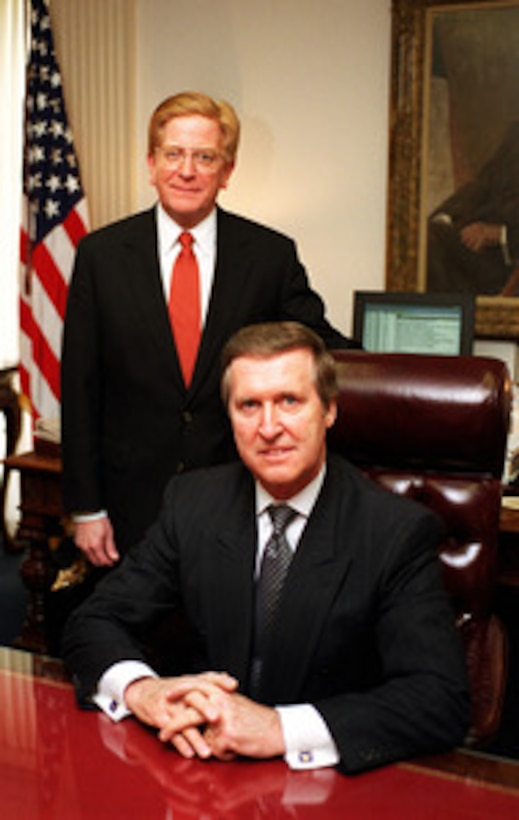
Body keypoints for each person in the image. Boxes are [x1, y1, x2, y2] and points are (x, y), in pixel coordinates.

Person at [62, 321, 469, 776]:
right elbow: (95, 620)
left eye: (289, 402)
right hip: (200, 771)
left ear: (329, 409)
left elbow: (438, 698)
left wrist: (278, 728)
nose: (269, 427)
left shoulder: (395, 532)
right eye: (249, 405)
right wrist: (144, 691)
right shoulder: (192, 502)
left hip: (323, 787)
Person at [61, 90, 358, 570]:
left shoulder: (268, 256)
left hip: (237, 500)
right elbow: (80, 386)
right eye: (173, 154)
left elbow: (322, 346)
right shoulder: (101, 256)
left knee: (224, 639)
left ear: (227, 171)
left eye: (205, 157)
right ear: (151, 162)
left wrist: (418, 375)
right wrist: (87, 507)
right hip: (126, 505)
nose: (187, 170)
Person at [427, 121, 519, 294]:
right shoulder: (516, 134)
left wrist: (500, 234)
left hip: (508, 263)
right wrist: (446, 215)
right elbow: (482, 184)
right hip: (478, 248)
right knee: (426, 236)